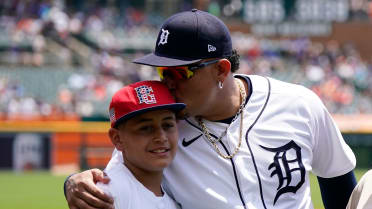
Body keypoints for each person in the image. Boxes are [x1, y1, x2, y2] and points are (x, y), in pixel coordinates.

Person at [64, 9, 357, 209]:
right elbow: (111, 182)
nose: (169, 82)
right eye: (163, 72)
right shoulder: (165, 130)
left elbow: (337, 177)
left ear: (220, 69)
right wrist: (73, 184)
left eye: (180, 73)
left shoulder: (298, 104)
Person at [79, 80, 184, 209]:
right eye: (146, 128)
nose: (161, 137)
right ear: (117, 139)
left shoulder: (173, 196)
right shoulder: (107, 194)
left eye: (168, 125)